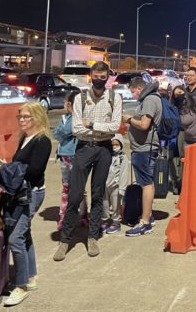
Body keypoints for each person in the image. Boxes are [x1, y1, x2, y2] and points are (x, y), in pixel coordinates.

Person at [53, 61, 123, 261]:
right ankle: (65, 240)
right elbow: (77, 129)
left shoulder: (114, 98)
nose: (99, 79)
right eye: (96, 75)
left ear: (108, 76)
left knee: (98, 194)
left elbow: (115, 127)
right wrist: (102, 127)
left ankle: (92, 237)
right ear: (90, 75)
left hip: (104, 149)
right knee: (74, 196)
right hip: (84, 148)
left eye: (103, 76)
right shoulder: (81, 98)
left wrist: (91, 123)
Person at [2, 102, 52, 306]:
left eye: (26, 117)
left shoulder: (42, 141)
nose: (22, 120)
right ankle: (30, 277)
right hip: (20, 192)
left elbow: (34, 171)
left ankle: (21, 286)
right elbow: (20, 164)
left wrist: (9, 170)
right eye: (20, 117)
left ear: (38, 118)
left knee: (15, 238)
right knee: (25, 234)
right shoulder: (25, 137)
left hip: (31, 194)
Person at [121, 77, 162, 236]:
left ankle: (145, 222)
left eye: (133, 91)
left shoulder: (150, 100)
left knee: (146, 183)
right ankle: (147, 215)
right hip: (144, 147)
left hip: (145, 148)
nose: (133, 95)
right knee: (146, 182)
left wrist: (129, 119)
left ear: (139, 88)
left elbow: (144, 125)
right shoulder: (152, 98)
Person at [52, 92, 88, 230]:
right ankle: (66, 215)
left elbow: (63, 132)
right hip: (64, 154)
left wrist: (72, 114)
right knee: (67, 187)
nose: (63, 105)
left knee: (77, 188)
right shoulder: (65, 117)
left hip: (73, 155)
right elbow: (56, 133)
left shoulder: (75, 118)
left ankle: (80, 215)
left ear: (70, 104)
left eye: (65, 102)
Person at [101, 134, 129, 234]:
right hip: (104, 185)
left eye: (116, 144)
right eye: (112, 144)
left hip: (116, 186)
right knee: (104, 204)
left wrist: (122, 188)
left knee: (116, 204)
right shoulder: (106, 155)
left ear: (121, 144)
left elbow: (124, 173)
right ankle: (105, 219)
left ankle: (116, 221)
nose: (114, 146)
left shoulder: (123, 157)